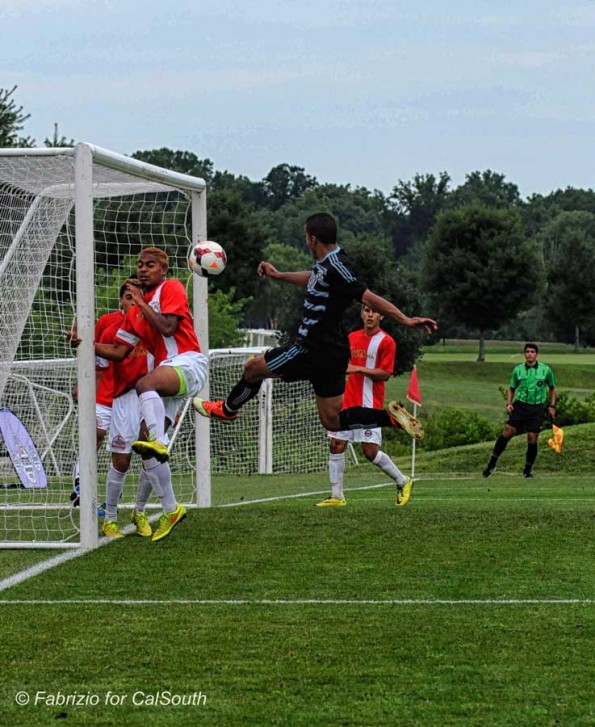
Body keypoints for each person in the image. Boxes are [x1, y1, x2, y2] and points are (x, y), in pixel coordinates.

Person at [193, 212, 436, 438]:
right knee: (332, 420)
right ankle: (391, 418)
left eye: (305, 237)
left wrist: (405, 319)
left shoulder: (339, 267)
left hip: (310, 348)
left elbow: (368, 296)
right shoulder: (329, 264)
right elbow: (314, 278)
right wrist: (280, 275)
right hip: (333, 351)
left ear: (312, 239)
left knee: (252, 369)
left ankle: (227, 409)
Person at [73, 247, 208, 542]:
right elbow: (120, 352)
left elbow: (168, 328)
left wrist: (143, 303)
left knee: (144, 386)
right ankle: (170, 509)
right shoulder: (131, 314)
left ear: (163, 270)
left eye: (150, 265)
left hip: (188, 362)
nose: (143, 269)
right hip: (162, 378)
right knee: (146, 449)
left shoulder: (170, 288)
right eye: (139, 264)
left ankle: (156, 451)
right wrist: (86, 345)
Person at [319, 304, 413, 508]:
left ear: (382, 316)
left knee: (370, 452)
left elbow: (386, 374)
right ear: (361, 313)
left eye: (374, 311)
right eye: (366, 310)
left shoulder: (387, 342)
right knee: (336, 445)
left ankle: (402, 481)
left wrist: (358, 369)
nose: (370, 314)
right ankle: (336, 496)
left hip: (369, 402)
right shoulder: (351, 338)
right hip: (347, 401)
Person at [70, 281, 138, 509]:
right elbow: (92, 354)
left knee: (128, 448)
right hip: (106, 391)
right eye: (128, 297)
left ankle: (112, 495)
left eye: (136, 297)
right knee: (95, 434)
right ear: (120, 300)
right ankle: (81, 483)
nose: (132, 301)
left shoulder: (148, 322)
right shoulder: (107, 323)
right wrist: (82, 384)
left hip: (134, 396)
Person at [482, 343, 556, 479]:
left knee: (532, 437)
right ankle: (491, 465)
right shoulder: (518, 370)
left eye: (532, 352)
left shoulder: (546, 370)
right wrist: (509, 403)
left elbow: (552, 388)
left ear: (536, 354)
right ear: (524, 354)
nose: (529, 354)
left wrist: (552, 406)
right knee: (508, 432)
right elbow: (511, 388)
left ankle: (527, 471)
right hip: (520, 405)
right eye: (527, 351)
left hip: (537, 407)